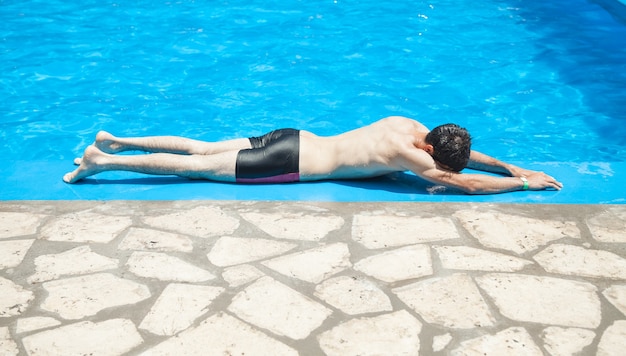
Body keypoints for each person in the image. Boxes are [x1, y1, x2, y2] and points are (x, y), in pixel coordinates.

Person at [62, 116, 563, 194]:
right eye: (438, 161)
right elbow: (465, 182)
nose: (436, 168)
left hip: (293, 136)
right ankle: (101, 163)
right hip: (290, 165)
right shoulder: (411, 157)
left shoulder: (409, 126)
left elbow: (464, 159)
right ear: (431, 150)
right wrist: (521, 182)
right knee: (196, 169)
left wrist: (508, 162)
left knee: (200, 146)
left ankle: (114, 139)